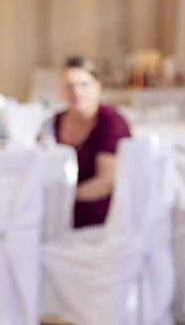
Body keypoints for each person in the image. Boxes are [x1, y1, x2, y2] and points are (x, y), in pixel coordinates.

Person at [54, 55, 131, 228]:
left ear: (97, 87)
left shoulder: (112, 121)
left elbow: (108, 180)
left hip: (98, 214)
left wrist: (62, 198)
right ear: (61, 91)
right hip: (58, 209)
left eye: (84, 84)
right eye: (69, 86)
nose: (76, 92)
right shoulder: (54, 122)